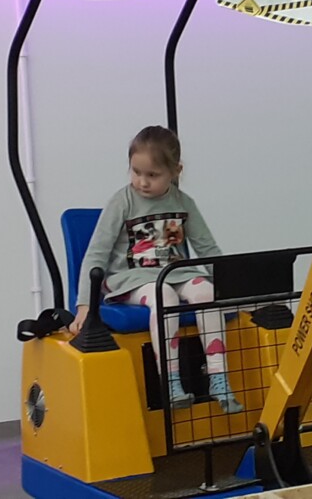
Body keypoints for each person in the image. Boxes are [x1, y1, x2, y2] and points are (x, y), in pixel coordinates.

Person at [67, 126, 242, 414]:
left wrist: (234, 288)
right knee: (165, 297)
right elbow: (96, 253)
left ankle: (218, 378)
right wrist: (85, 305)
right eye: (136, 172)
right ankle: (171, 382)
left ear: (175, 171)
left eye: (152, 175)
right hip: (130, 279)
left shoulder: (184, 204)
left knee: (206, 291)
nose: (142, 182)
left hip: (174, 273)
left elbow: (207, 249)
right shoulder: (122, 202)